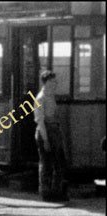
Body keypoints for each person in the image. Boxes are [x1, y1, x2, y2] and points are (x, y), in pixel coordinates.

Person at [34, 71, 69, 202]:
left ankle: (56, 192)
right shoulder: (40, 98)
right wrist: (45, 139)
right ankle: (46, 193)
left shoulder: (50, 96)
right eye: (53, 81)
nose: (56, 83)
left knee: (58, 163)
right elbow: (40, 120)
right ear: (47, 82)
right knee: (46, 164)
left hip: (54, 131)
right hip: (46, 132)